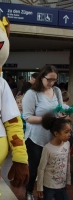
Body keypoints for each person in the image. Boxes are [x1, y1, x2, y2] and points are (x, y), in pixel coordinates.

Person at [22, 65, 63, 200]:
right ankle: (29, 192)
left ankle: (45, 192)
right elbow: (27, 117)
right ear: (42, 77)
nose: (51, 83)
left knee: (50, 168)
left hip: (52, 137)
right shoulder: (32, 94)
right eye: (49, 79)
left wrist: (62, 116)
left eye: (54, 80)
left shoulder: (56, 91)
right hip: (36, 138)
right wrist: (47, 119)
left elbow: (60, 109)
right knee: (34, 168)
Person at [37, 113, 71, 200]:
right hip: (48, 187)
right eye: (66, 132)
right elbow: (41, 168)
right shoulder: (47, 148)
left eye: (70, 131)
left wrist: (68, 180)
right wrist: (39, 187)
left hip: (62, 186)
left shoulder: (67, 144)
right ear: (56, 133)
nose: (69, 134)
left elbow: (68, 164)